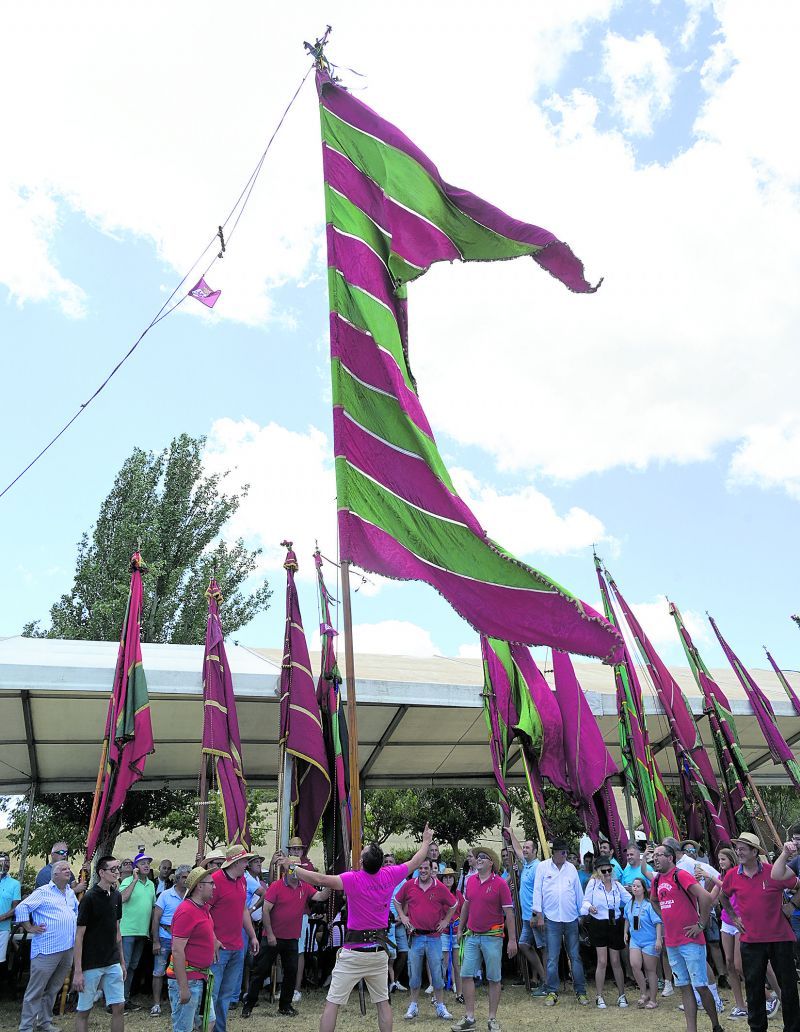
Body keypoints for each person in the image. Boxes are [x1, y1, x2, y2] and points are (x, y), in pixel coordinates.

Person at [278, 824, 434, 1032]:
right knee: (382, 1003)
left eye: (361, 856)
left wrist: (291, 866)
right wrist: (425, 841)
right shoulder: (390, 875)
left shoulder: (353, 878)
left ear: (362, 862)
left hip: (353, 953)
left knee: (332, 1003)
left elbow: (319, 879)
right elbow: (415, 861)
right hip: (378, 952)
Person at [721, 834, 800, 1032]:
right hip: (751, 940)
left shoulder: (774, 872)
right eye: (737, 848)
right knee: (754, 988)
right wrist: (734, 917)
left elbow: (798, 885)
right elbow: (723, 896)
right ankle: (757, 1028)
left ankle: (793, 1028)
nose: (738, 851)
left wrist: (792, 904)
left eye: (742, 849)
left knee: (788, 988)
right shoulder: (731, 875)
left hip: (780, 938)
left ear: (755, 852)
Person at [241, 855, 329, 1018]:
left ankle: (285, 1005)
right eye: (292, 867)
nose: (295, 870)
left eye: (298, 867)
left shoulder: (305, 886)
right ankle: (249, 1005)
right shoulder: (276, 886)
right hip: (273, 937)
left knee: (291, 972)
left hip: (291, 938)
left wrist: (330, 883)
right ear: (286, 869)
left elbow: (321, 897)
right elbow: (266, 910)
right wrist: (271, 934)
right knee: (260, 971)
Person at [650, 843, 722, 1032]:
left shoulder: (680, 875)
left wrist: (701, 924)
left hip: (690, 940)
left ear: (670, 857)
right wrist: (665, 917)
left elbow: (705, 897)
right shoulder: (656, 880)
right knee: (684, 986)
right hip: (672, 941)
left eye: (659, 855)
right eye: (654, 855)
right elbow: (654, 900)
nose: (655, 858)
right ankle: (692, 1029)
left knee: (700, 986)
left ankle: (716, 1025)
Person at [453, 846, 517, 1032]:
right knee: (465, 975)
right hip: (472, 936)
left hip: (492, 937)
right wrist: (460, 929)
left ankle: (492, 1019)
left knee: (494, 978)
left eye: (483, 857)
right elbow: (466, 906)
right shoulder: (470, 881)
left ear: (491, 863)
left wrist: (512, 940)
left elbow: (509, 914)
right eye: (477, 856)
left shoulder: (500, 885)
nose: (478, 859)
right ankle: (470, 1017)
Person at [14, 859, 78, 1032]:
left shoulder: (70, 893)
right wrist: (29, 927)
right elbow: (22, 907)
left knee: (53, 988)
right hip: (47, 949)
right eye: (64, 869)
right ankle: (26, 1027)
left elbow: (75, 912)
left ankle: (44, 1022)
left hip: (67, 948)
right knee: (36, 989)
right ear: (55, 874)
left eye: (69, 869)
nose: (68, 871)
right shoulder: (43, 892)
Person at [395, 858, 457, 1021]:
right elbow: (396, 900)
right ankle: (413, 1006)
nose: (423, 871)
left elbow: (454, 904)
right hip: (416, 938)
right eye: (420, 868)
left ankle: (440, 1006)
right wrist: (403, 916)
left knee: (437, 973)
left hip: (434, 937)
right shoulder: (409, 885)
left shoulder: (439, 887)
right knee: (414, 973)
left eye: (426, 868)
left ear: (431, 870)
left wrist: (445, 921)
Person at [530, 839, 588, 1007]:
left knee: (575, 956)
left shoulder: (571, 869)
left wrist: (581, 913)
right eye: (562, 853)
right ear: (554, 852)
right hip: (551, 918)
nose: (564, 855)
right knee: (552, 957)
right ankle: (552, 991)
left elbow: (578, 892)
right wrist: (539, 915)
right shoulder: (543, 867)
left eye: (566, 853)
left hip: (570, 918)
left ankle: (581, 991)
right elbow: (537, 891)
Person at [208, 844, 260, 1032]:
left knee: (226, 995)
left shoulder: (242, 881)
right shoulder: (214, 881)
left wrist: (252, 935)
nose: (247, 864)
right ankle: (209, 1027)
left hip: (237, 945)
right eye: (245, 860)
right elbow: (205, 912)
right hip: (219, 948)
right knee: (213, 994)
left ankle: (219, 1029)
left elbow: (243, 909)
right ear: (235, 862)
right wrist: (213, 939)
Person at [73, 855, 125, 1032]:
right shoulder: (89, 898)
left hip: (112, 961)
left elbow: (117, 932)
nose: (117, 872)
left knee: (119, 1006)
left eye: (117, 868)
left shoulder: (117, 896)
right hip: (92, 962)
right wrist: (78, 971)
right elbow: (79, 936)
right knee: (84, 1010)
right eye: (113, 869)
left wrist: (122, 962)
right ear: (101, 872)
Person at [167, 866, 217, 1032]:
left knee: (208, 1023)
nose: (214, 887)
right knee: (184, 1028)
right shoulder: (186, 911)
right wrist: (183, 987)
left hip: (200, 977)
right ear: (199, 886)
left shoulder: (203, 908)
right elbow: (177, 950)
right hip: (188, 979)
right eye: (211, 883)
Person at [582, 857, 632, 1008]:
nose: (606, 873)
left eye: (609, 870)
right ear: (597, 871)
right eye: (603, 870)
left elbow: (629, 899)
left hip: (615, 923)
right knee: (602, 961)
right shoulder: (593, 884)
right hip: (599, 924)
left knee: (616, 961)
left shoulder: (617, 885)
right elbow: (585, 902)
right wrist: (590, 907)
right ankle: (599, 996)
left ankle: (621, 995)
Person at [707, 847, 747, 1019]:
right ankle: (740, 1005)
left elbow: (729, 888)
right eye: (719, 859)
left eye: (723, 859)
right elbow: (711, 898)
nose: (720, 862)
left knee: (740, 965)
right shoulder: (719, 877)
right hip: (726, 922)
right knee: (729, 963)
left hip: (741, 922)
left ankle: (767, 996)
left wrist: (710, 877)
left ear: (731, 859)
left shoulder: (738, 874)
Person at [506, 827, 545, 990]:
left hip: (535, 915)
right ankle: (544, 978)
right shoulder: (527, 864)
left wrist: (538, 915)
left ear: (535, 851)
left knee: (543, 948)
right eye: (525, 847)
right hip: (526, 916)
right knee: (523, 944)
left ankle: (548, 982)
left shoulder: (538, 867)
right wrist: (511, 834)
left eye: (528, 847)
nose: (525, 850)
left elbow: (542, 892)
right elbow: (517, 849)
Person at [150, 864, 190, 1016]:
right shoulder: (165, 895)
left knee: (182, 971)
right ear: (177, 878)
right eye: (184, 877)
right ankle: (156, 1004)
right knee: (158, 971)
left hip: (184, 939)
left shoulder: (191, 896)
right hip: (165, 936)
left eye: (188, 877)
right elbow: (156, 918)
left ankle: (180, 1001)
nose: (186, 880)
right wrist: (155, 941)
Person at [119, 850, 156, 1006]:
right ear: (135, 867)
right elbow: (122, 898)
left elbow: (153, 908)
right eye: (142, 863)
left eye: (148, 863)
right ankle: (116, 1001)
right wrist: (133, 880)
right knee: (124, 966)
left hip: (142, 932)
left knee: (133, 966)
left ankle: (125, 998)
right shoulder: (127, 881)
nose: (146, 865)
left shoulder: (151, 884)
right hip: (127, 930)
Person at [624, 876, 662, 1009]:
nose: (635, 888)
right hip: (635, 940)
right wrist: (625, 932)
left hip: (649, 941)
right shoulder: (630, 903)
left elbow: (658, 923)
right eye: (633, 885)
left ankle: (653, 998)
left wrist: (658, 939)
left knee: (650, 969)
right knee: (635, 965)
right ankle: (643, 993)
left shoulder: (649, 904)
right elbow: (627, 919)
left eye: (638, 886)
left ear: (644, 889)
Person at [287, 836, 315, 1005]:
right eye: (293, 849)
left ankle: (296, 989)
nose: (296, 851)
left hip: (301, 913)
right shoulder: (284, 864)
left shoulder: (307, 866)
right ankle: (286, 987)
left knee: (298, 950)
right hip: (283, 913)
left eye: (298, 849)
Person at [383, 851, 409, 994]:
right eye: (385, 862)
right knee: (387, 954)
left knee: (404, 952)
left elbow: (407, 900)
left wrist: (402, 917)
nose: (388, 864)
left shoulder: (402, 880)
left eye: (390, 862)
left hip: (399, 921)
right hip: (385, 923)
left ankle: (396, 981)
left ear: (395, 864)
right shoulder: (379, 878)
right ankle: (388, 982)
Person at [439, 868, 464, 1001]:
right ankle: (439, 993)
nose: (448, 879)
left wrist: (461, 926)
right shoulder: (439, 894)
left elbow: (464, 911)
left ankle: (459, 993)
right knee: (443, 962)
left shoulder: (458, 894)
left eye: (450, 877)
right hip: (443, 933)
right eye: (445, 877)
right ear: (441, 879)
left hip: (456, 931)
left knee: (457, 964)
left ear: (454, 880)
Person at [0, 852, 21, 992]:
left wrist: (1, 918)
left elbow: (15, 908)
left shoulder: (14, 884)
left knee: (0, 961)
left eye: (8, 861)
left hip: (3, 929)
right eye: (3, 861)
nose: (6, 864)